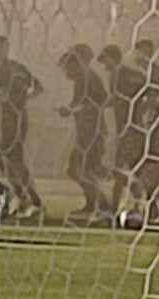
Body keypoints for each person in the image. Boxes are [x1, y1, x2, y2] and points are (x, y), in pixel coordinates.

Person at [0, 36, 44, 220]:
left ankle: (33, 202)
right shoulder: (18, 67)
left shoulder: (3, 69)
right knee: (6, 160)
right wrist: (24, 99)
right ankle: (22, 198)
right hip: (18, 116)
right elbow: (38, 88)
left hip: (11, 119)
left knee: (10, 161)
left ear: (3, 49)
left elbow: (2, 93)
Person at [58, 43, 110, 219]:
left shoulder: (88, 77)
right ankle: (92, 204)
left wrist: (71, 110)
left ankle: (103, 205)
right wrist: (68, 109)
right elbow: (79, 102)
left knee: (82, 169)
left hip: (92, 132)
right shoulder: (83, 78)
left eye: (67, 67)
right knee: (77, 169)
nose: (65, 73)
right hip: (85, 132)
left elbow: (101, 101)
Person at [99, 42, 150, 219]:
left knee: (119, 170)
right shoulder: (131, 74)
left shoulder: (117, 74)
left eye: (105, 61)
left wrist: (100, 106)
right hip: (133, 128)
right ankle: (141, 204)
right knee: (133, 170)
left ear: (112, 59)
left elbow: (116, 98)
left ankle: (117, 208)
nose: (104, 66)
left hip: (128, 130)